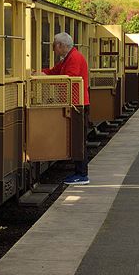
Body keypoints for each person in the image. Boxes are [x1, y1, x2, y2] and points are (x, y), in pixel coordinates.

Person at [43, 32, 91, 185]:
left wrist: (49, 81)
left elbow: (70, 79)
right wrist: (41, 73)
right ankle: (79, 172)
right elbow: (54, 71)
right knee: (77, 138)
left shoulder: (74, 58)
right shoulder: (68, 58)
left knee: (78, 140)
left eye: (54, 46)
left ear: (61, 46)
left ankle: (82, 174)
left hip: (78, 104)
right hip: (75, 103)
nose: (53, 49)